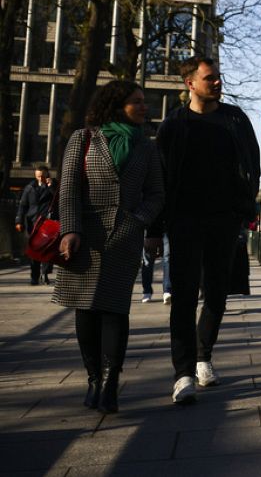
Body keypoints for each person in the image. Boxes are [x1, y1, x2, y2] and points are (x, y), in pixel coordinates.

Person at [148, 56, 260, 405]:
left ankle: (202, 357)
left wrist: (243, 209)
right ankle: (182, 374)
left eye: (218, 78)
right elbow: (159, 178)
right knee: (182, 297)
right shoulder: (174, 125)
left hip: (224, 219)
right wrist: (154, 228)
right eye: (209, 78)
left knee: (215, 293)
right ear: (190, 84)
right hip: (183, 220)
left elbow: (252, 165)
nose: (216, 83)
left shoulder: (235, 119)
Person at [54, 80, 164, 414]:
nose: (145, 107)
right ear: (117, 105)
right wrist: (70, 230)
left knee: (116, 309)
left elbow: (157, 194)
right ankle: (93, 378)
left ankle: (111, 380)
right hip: (84, 236)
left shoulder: (147, 146)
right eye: (137, 101)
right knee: (85, 309)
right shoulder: (84, 139)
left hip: (123, 238)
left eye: (144, 101)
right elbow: (69, 189)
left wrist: (136, 222)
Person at [15, 165, 55, 285]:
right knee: (33, 250)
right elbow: (23, 206)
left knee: (47, 249)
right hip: (32, 223)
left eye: (42, 176)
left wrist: (51, 186)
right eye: (38, 176)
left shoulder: (53, 186)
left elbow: (58, 199)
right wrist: (18, 221)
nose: (40, 178)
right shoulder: (29, 188)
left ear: (47, 175)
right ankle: (34, 276)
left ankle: (45, 273)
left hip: (47, 223)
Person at [140, 235, 171, 303]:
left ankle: (167, 291)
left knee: (168, 257)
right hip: (150, 229)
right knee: (147, 260)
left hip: (167, 228)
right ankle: (147, 291)